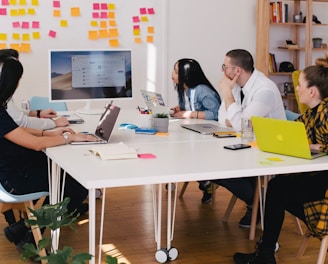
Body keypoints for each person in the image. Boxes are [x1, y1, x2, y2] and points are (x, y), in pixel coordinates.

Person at [0, 57, 98, 251]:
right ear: (13, 82)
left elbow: (18, 131)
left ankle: (24, 227)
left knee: (64, 174)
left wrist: (48, 133)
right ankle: (29, 232)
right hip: (14, 180)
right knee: (78, 186)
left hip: (13, 171)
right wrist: (70, 139)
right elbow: (36, 144)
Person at [233, 64, 328, 264]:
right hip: (317, 177)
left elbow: (315, 143)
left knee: (277, 189)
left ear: (312, 91)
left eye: (300, 85)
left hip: (324, 183)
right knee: (278, 189)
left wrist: (317, 147)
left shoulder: (325, 113)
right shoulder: (312, 113)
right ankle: (265, 252)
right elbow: (294, 131)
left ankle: (265, 253)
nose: (296, 88)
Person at [202, 49, 286, 226]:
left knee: (221, 171)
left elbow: (241, 123)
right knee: (210, 168)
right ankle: (256, 203)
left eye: (225, 66)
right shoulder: (241, 88)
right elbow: (223, 119)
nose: (222, 70)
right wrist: (233, 110)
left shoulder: (264, 90)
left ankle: (259, 204)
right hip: (248, 144)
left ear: (236, 71)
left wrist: (227, 93)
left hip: (268, 149)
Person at [170, 58, 221, 202]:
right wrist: (181, 109)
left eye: (175, 71)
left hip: (209, 136)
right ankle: (205, 182)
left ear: (186, 75)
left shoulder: (202, 90)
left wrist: (189, 114)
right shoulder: (183, 89)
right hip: (194, 132)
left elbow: (215, 113)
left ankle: (206, 182)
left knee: (185, 153)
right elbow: (190, 108)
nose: (172, 74)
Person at [0, 48, 69, 130]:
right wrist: (54, 123)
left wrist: (38, 113)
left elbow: (13, 113)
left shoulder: (4, 97)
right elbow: (22, 122)